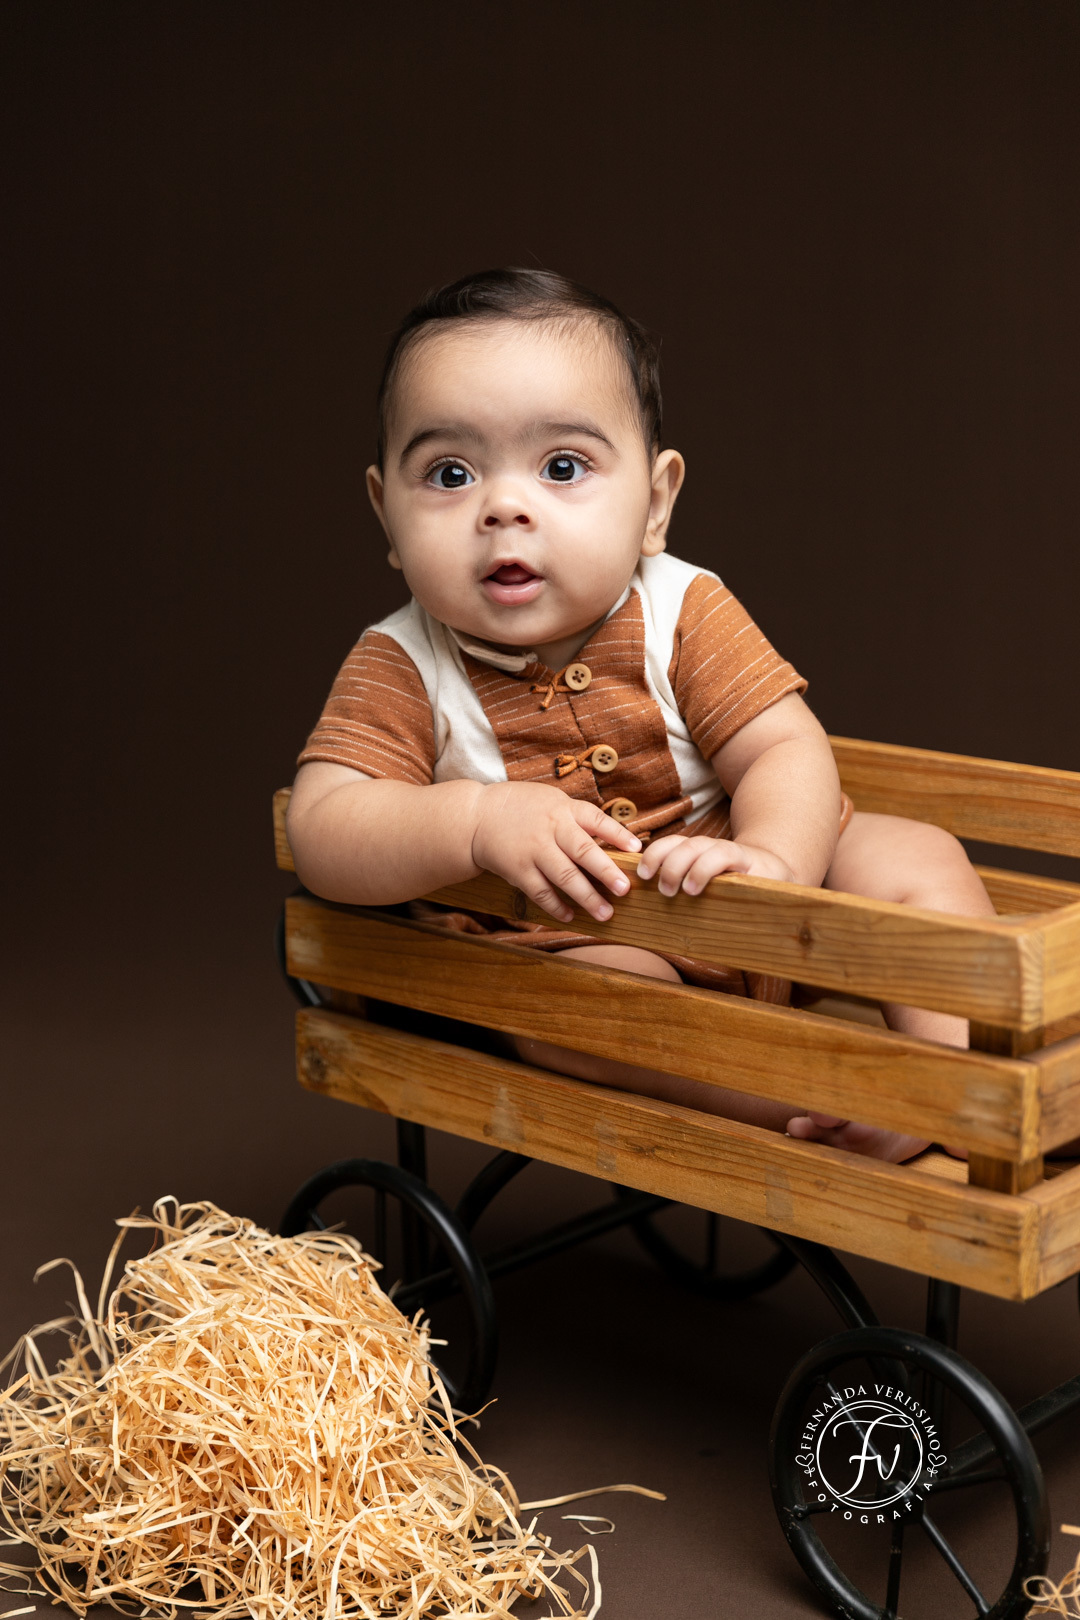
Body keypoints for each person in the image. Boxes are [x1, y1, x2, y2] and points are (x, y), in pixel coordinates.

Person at [286, 268, 996, 1163]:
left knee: (916, 856)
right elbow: (321, 825)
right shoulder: (402, 663)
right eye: (450, 474)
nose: (505, 507)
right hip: (579, 933)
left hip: (742, 877)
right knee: (596, 1012)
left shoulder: (681, 608)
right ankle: (819, 1105)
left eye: (563, 467)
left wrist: (775, 859)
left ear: (655, 503)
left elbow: (782, 746)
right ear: (386, 513)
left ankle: (971, 1086)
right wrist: (473, 821)